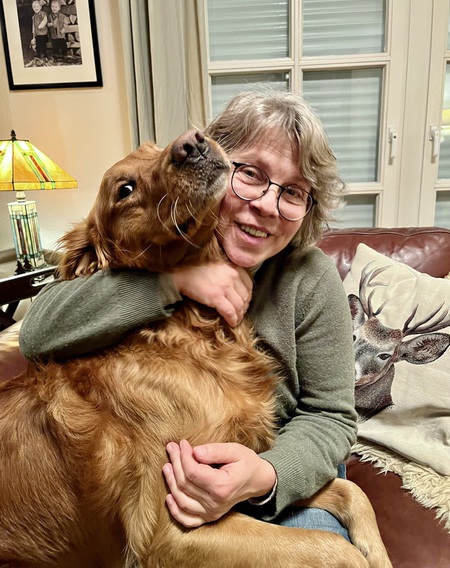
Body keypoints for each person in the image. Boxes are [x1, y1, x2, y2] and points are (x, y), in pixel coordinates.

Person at [19, 90, 357, 541]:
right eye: (251, 174)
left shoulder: (309, 276)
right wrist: (174, 281)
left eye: (293, 191)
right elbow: (36, 332)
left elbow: (331, 416)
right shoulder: (166, 250)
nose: (266, 205)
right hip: (188, 480)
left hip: (283, 463)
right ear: (220, 169)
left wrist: (265, 475)